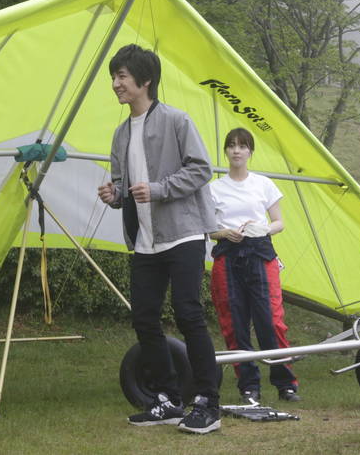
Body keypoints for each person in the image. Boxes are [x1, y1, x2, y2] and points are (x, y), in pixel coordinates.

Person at [97, 44, 221, 434]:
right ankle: (167, 399)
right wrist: (113, 196)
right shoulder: (120, 133)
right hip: (144, 242)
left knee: (189, 315)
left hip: (182, 234)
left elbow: (201, 170)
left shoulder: (176, 120)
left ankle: (207, 403)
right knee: (144, 318)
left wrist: (160, 188)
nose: (116, 83)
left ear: (145, 81)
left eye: (122, 76)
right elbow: (124, 189)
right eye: (115, 76)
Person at [208, 127, 300, 406]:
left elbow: (279, 222)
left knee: (271, 321)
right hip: (227, 255)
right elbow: (209, 229)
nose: (236, 150)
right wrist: (226, 233)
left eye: (242, 146)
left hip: (261, 252)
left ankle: (286, 383)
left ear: (250, 152)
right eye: (232, 145)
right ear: (226, 151)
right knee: (234, 324)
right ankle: (248, 386)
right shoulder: (213, 188)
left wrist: (261, 229)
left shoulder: (263, 184)